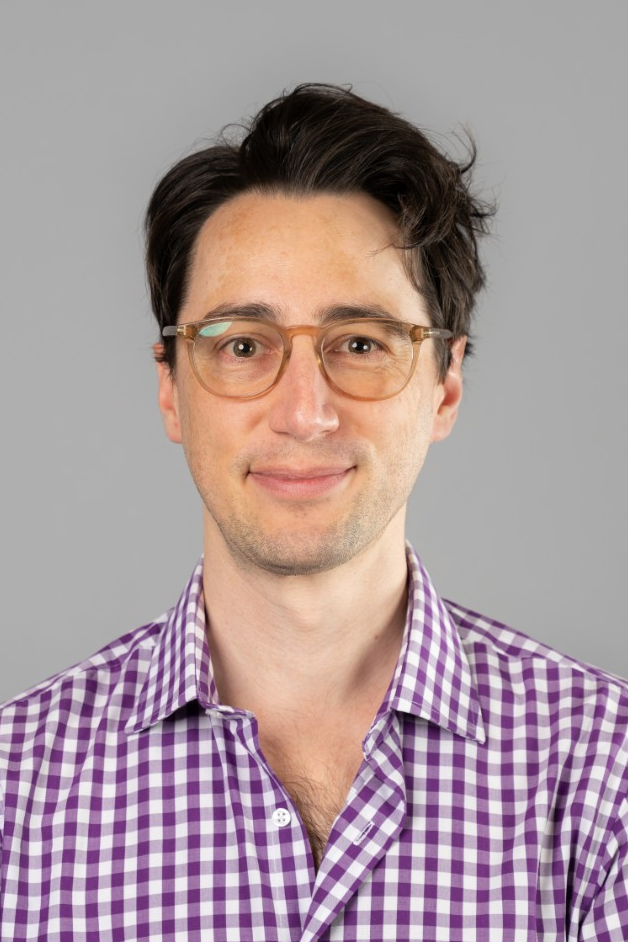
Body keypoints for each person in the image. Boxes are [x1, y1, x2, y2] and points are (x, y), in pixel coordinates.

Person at [0, 84, 626, 942]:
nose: (304, 412)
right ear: (171, 389)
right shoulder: (15, 794)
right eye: (242, 345)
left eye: (361, 344)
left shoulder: (605, 780)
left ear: (445, 386)